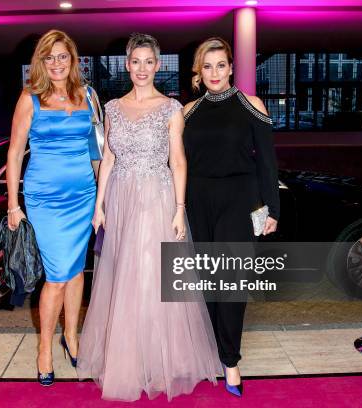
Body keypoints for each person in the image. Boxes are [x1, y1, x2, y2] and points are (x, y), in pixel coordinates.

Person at [77, 33, 221, 401]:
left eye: (148, 62)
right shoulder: (110, 108)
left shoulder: (171, 108)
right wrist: (99, 206)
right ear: (127, 65)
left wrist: (179, 208)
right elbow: (107, 159)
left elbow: (178, 161)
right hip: (120, 198)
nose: (141, 68)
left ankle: (160, 362)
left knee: (152, 278)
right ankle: (128, 359)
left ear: (158, 66)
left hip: (157, 198)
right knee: (122, 277)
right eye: (135, 61)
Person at [182, 37, 280, 397]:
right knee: (206, 282)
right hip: (197, 199)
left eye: (220, 65)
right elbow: (179, 163)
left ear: (231, 67)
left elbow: (267, 162)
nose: (214, 73)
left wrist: (271, 209)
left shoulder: (251, 105)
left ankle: (230, 361)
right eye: (207, 66)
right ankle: (212, 352)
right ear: (199, 70)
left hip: (240, 199)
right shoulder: (188, 112)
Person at [6, 29, 96, 386]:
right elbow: (14, 153)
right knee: (57, 277)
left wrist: (101, 199)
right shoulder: (30, 97)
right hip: (45, 199)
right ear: (40, 62)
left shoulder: (88, 94)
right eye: (49, 57)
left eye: (63, 56)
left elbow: (95, 150)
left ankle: (71, 336)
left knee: (76, 273)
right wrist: (14, 204)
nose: (57, 63)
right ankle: (45, 346)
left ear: (73, 60)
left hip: (83, 196)